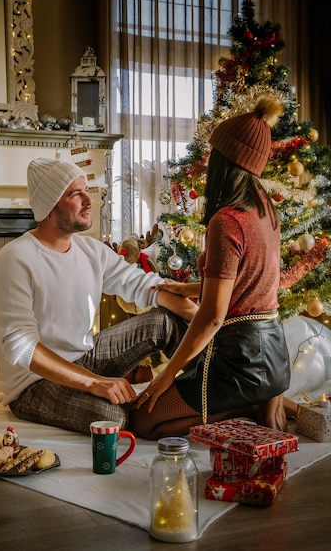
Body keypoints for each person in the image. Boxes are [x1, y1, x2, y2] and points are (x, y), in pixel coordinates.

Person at [0, 157, 198, 435]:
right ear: (50, 205)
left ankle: (218, 394)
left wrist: (204, 319)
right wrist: (94, 383)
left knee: (164, 321)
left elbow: (142, 286)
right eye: (76, 194)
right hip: (33, 383)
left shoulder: (91, 250)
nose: (89, 200)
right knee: (112, 419)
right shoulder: (15, 258)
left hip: (85, 357)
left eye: (86, 190)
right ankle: (169, 411)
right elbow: (22, 347)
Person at [131, 95, 291, 439]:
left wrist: (167, 375)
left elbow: (214, 316)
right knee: (159, 412)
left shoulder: (228, 220)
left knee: (143, 420)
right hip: (274, 354)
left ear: (224, 160)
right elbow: (247, 281)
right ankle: (256, 399)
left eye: (212, 155)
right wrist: (186, 289)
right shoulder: (264, 208)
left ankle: (245, 405)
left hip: (240, 362)